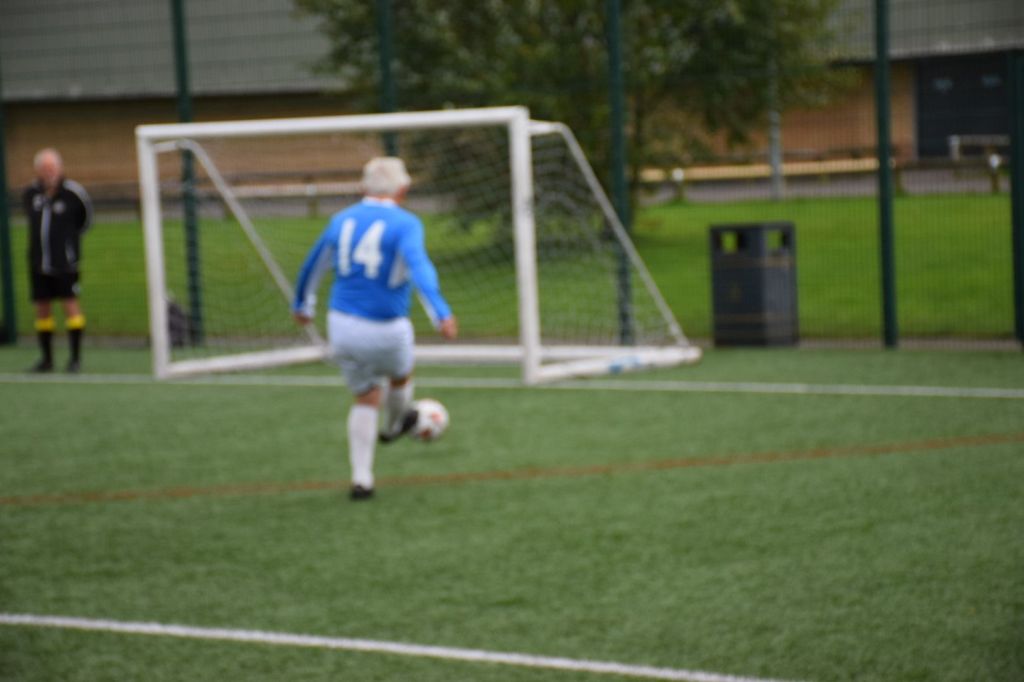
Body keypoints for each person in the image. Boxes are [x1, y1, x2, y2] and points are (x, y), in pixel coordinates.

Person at [292, 157, 457, 501]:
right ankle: (395, 425)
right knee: (400, 376)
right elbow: (419, 267)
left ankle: (362, 479)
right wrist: (441, 312)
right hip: (387, 328)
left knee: (366, 397)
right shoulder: (406, 224)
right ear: (403, 189)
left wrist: (303, 306)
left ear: (362, 188)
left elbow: (312, 265)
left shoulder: (341, 219)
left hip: (341, 326)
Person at [23, 148, 92, 373]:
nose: (49, 172)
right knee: (42, 308)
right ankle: (47, 359)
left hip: (65, 263)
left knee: (70, 304)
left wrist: (68, 246)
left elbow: (85, 221)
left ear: (60, 168)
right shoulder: (31, 194)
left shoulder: (73, 193)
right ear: (38, 170)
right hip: (38, 263)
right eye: (44, 168)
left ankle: (75, 359)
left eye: (52, 167)